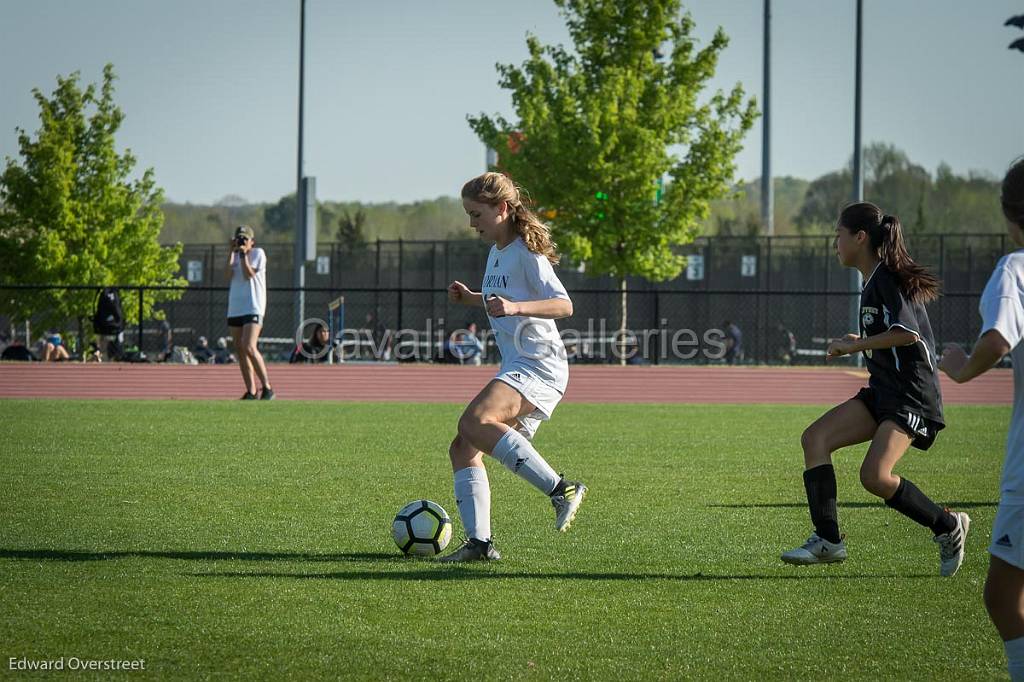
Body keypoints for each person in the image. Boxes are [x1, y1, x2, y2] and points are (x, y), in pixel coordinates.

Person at [780, 202, 969, 576]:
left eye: (839, 235)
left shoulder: (887, 278)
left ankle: (949, 526)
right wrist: (858, 338)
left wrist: (855, 346)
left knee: (875, 477)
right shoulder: (871, 280)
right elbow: (890, 333)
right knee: (814, 439)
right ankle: (828, 541)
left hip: (911, 395)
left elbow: (907, 334)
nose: (835, 242)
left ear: (860, 237)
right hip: (883, 391)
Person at [440, 172, 587, 562]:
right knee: (463, 447)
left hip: (539, 363)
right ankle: (480, 545)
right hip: (520, 362)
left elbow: (564, 305)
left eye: (477, 214)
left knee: (474, 420)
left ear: (502, 208)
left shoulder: (526, 252)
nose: (472, 224)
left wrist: (517, 307)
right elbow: (501, 300)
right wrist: (473, 298)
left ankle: (563, 490)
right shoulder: (496, 252)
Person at [939, 157, 1024, 680]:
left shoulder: (1015, 267)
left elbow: (996, 338)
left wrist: (961, 369)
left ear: (1008, 213)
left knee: (1002, 594)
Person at [225, 225, 274, 400]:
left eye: (245, 239)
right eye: (239, 238)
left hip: (253, 305)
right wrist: (232, 252)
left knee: (249, 346)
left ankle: (267, 387)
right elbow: (226, 275)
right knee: (240, 348)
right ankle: (251, 391)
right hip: (236, 307)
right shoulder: (234, 255)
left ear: (252, 241)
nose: (241, 241)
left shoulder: (258, 253)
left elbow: (248, 274)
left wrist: (244, 254)